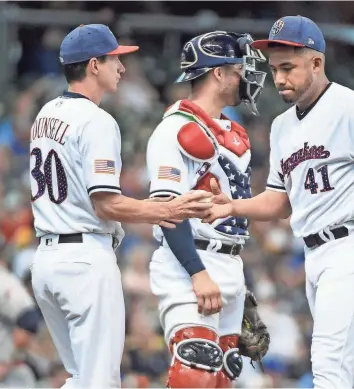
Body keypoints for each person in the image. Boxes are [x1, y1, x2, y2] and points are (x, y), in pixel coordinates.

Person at [205, 16, 354, 389]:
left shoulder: (353, 107)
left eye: (288, 68)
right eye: (275, 69)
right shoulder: (281, 127)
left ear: (316, 63)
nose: (279, 79)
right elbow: (279, 202)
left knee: (328, 368)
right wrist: (231, 206)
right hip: (316, 255)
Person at [29, 24, 212, 389]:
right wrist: (168, 210)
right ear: (94, 65)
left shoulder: (45, 113)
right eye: (115, 59)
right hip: (84, 261)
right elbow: (107, 204)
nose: (122, 67)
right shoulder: (96, 121)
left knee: (81, 377)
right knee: (100, 382)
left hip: (47, 260)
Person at [146, 31, 267, 388]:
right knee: (194, 372)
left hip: (229, 263)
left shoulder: (232, 132)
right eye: (239, 68)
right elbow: (167, 209)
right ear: (218, 73)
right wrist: (198, 273)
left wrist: (238, 285)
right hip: (189, 261)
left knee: (221, 379)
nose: (245, 75)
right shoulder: (176, 129)